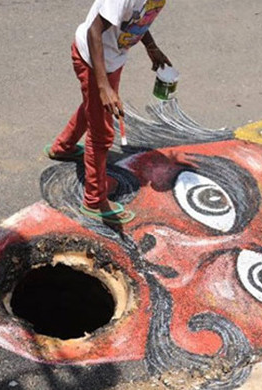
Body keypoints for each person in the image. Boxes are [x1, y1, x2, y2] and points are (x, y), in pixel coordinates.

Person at [45, 0, 172, 225]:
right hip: (93, 61)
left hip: (110, 60)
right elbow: (95, 29)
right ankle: (94, 201)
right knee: (102, 133)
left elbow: (136, 20)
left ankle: (63, 147)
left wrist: (151, 47)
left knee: (95, 109)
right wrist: (103, 86)